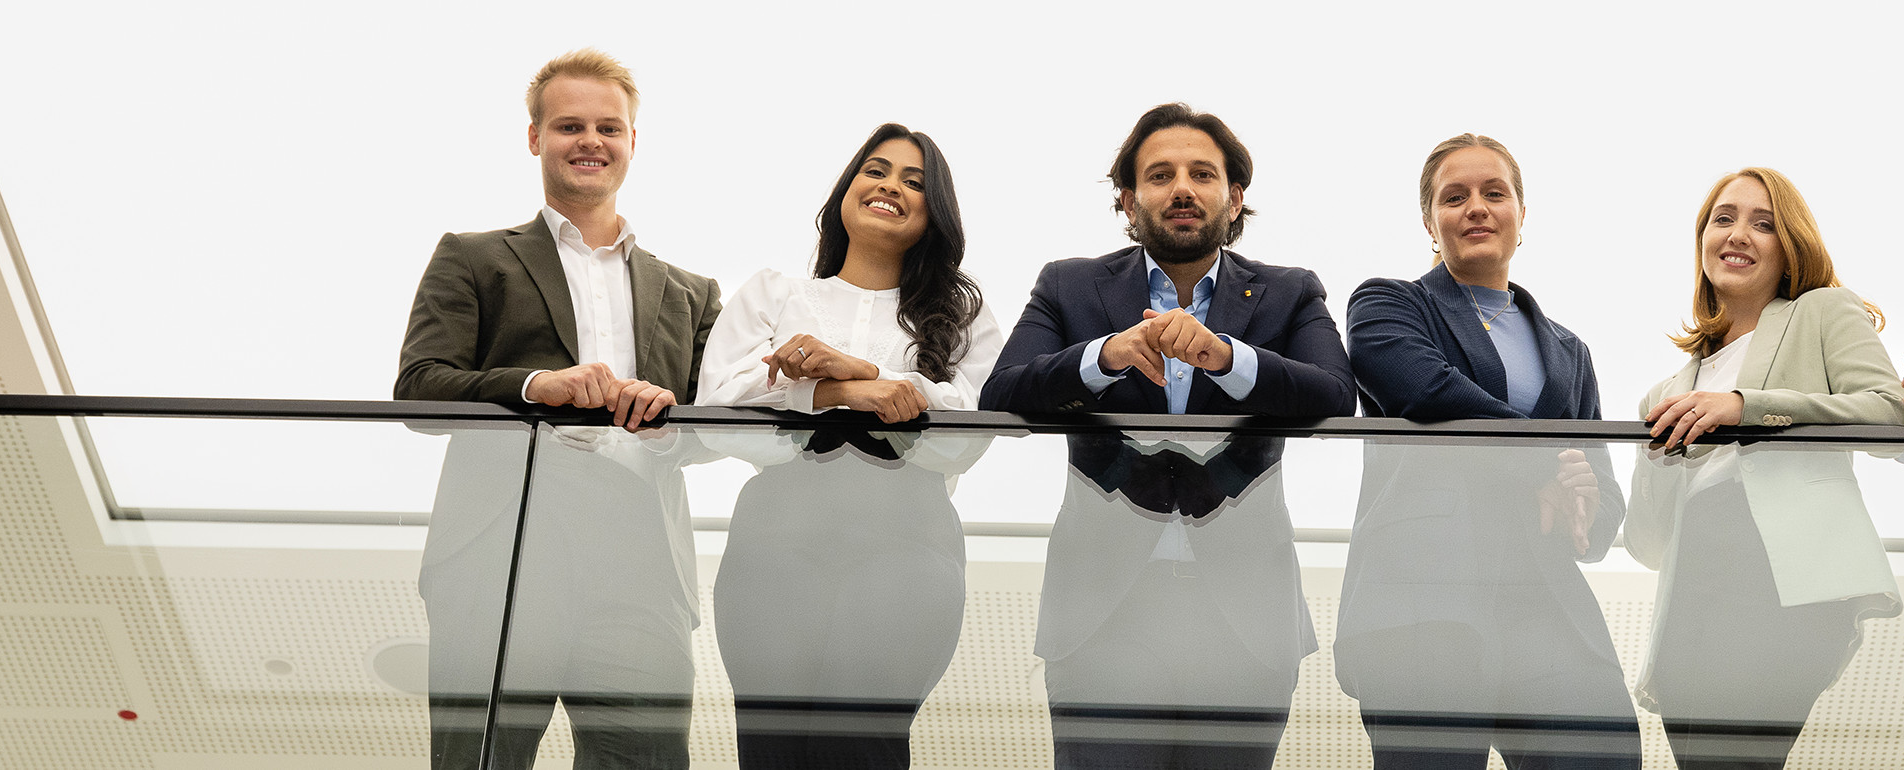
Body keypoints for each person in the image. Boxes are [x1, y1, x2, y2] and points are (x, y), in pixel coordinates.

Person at [978, 102, 1355, 769]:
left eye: (1202, 174)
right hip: (1103, 614)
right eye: (1159, 175)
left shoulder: (1290, 292)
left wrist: (1226, 357)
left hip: (1247, 620)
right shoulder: (1068, 286)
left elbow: (1334, 397)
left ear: (1234, 198)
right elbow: (1002, 396)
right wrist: (1104, 356)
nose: (1182, 188)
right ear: (1128, 199)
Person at [395, 49, 721, 770]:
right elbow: (419, 387)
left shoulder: (693, 292)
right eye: (569, 125)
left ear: (634, 141)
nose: (590, 141)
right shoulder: (473, 257)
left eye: (609, 127)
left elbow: (710, 430)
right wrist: (533, 385)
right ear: (535, 137)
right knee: (480, 760)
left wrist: (670, 422)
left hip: (640, 561)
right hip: (503, 546)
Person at [695, 123, 1002, 769]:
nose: (891, 185)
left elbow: (966, 438)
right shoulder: (776, 291)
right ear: (847, 189)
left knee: (864, 747)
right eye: (877, 170)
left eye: (915, 182)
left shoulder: (963, 315)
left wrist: (866, 375)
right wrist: (835, 394)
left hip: (908, 550)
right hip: (775, 547)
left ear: (934, 212)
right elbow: (716, 417)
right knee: (770, 749)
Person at [1337, 133, 1640, 768]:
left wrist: (1586, 502)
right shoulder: (1387, 304)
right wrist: (1547, 467)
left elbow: (1602, 497)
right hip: (1423, 601)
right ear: (1430, 222)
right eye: (1455, 197)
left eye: (1493, 193)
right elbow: (1428, 391)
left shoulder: (1570, 350)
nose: (1476, 207)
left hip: (1546, 607)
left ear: (1520, 216)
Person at [1626, 167, 1904, 768]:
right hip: (1691, 602)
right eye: (1722, 219)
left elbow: (1890, 415)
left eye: (1763, 223)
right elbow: (1650, 544)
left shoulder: (1823, 312)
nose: (1738, 235)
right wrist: (1652, 466)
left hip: (1779, 583)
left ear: (1791, 247)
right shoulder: (1664, 392)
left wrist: (1746, 409)